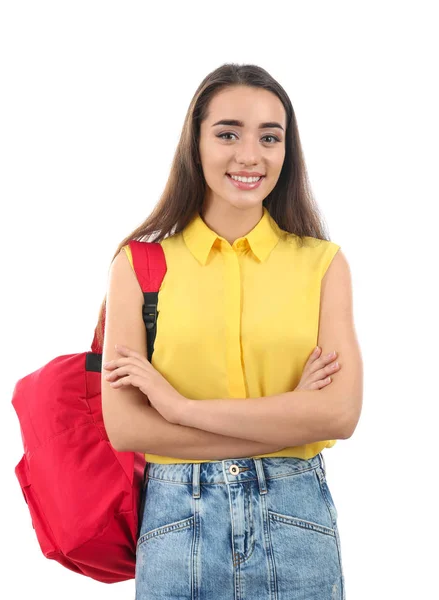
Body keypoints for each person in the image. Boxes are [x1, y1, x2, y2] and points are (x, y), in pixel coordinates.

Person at [99, 63, 363, 599]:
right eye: (228, 133)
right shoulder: (139, 266)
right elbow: (127, 428)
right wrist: (289, 414)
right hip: (177, 525)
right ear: (195, 144)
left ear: (287, 152)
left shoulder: (323, 264)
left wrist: (179, 408)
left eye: (270, 137)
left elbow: (339, 414)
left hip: (297, 519)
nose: (251, 155)